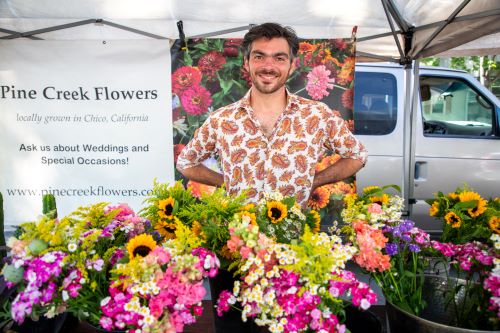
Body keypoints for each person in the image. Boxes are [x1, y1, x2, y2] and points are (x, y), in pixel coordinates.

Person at [177, 22, 367, 207]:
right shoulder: (221, 119)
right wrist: (227, 183)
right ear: (246, 62)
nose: (268, 66)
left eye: (279, 58)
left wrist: (313, 181)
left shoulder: (316, 115)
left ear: (292, 65)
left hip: (297, 237)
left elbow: (357, 156)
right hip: (238, 235)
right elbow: (186, 162)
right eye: (259, 56)